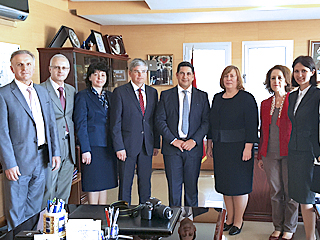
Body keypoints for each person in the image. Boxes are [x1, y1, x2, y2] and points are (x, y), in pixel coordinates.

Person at [0, 50, 60, 230]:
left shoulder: (42, 91)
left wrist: (55, 152)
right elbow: (2, 132)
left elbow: (51, 124)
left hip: (42, 158)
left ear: (33, 67)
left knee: (35, 207)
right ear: (12, 68)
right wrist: (8, 163)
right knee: (16, 209)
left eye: (27, 64)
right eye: (19, 65)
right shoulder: (4, 94)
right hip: (18, 161)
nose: (24, 68)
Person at [206, 65, 258, 236]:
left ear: (238, 79)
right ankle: (229, 218)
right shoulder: (217, 98)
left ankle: (238, 220)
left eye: (232, 76)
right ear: (222, 79)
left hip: (241, 149)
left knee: (239, 186)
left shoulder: (246, 98)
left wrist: (249, 147)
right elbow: (212, 123)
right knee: (225, 186)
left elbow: (252, 125)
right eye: (226, 76)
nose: (229, 78)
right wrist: (209, 144)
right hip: (221, 148)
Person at [156, 61, 209, 207]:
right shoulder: (166, 95)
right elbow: (160, 121)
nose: (185, 77)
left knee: (192, 189)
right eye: (182, 73)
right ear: (177, 75)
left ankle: (191, 223)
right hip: (172, 149)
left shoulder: (202, 96)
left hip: (193, 149)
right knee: (174, 189)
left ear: (193, 76)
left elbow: (206, 122)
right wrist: (174, 140)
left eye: (188, 74)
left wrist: (194, 140)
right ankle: (174, 221)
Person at [110, 58, 160, 205]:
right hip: (127, 146)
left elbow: (154, 121)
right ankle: (124, 215)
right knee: (126, 183)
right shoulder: (120, 92)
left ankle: (145, 213)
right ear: (130, 73)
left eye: (143, 72)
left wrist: (156, 144)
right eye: (137, 71)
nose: (140, 75)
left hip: (147, 145)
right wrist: (119, 146)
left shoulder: (152, 92)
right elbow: (115, 123)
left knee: (145, 183)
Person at [257, 65, 298, 240]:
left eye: (280, 78)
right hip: (269, 154)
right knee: (275, 192)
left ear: (286, 80)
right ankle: (277, 226)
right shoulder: (265, 104)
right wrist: (260, 155)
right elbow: (262, 132)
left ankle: (289, 227)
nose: (276, 81)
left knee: (290, 193)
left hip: (290, 153)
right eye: (273, 78)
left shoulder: (294, 100)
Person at [73, 62, 118, 204]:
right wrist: (85, 149)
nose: (100, 77)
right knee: (93, 182)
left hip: (108, 145)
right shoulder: (83, 96)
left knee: (104, 182)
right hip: (92, 146)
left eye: (103, 75)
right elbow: (80, 124)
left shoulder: (110, 96)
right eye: (96, 74)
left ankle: (102, 212)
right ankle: (93, 212)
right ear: (90, 77)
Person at [287, 56, 320, 240]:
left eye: (304, 71)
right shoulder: (292, 96)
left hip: (312, 152)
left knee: (308, 198)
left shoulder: (317, 94)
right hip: (295, 151)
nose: (300, 75)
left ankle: (310, 237)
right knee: (300, 197)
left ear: (312, 72)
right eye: (297, 71)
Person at [40, 54, 76, 205]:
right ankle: (45, 223)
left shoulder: (71, 90)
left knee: (64, 188)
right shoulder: (40, 90)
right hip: (51, 145)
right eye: (57, 67)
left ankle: (60, 220)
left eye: (64, 68)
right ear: (50, 69)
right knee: (49, 188)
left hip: (69, 145)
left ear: (68, 70)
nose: (61, 71)